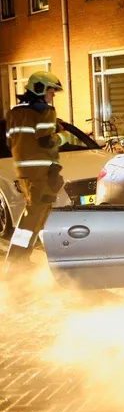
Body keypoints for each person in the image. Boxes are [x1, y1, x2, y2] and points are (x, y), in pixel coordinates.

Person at [3, 71, 67, 275]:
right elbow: (47, 140)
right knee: (35, 215)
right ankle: (16, 259)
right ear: (39, 89)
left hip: (24, 172)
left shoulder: (14, 113)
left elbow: (9, 142)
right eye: (51, 91)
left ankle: (22, 255)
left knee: (35, 213)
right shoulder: (45, 111)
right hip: (41, 173)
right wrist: (64, 135)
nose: (53, 96)